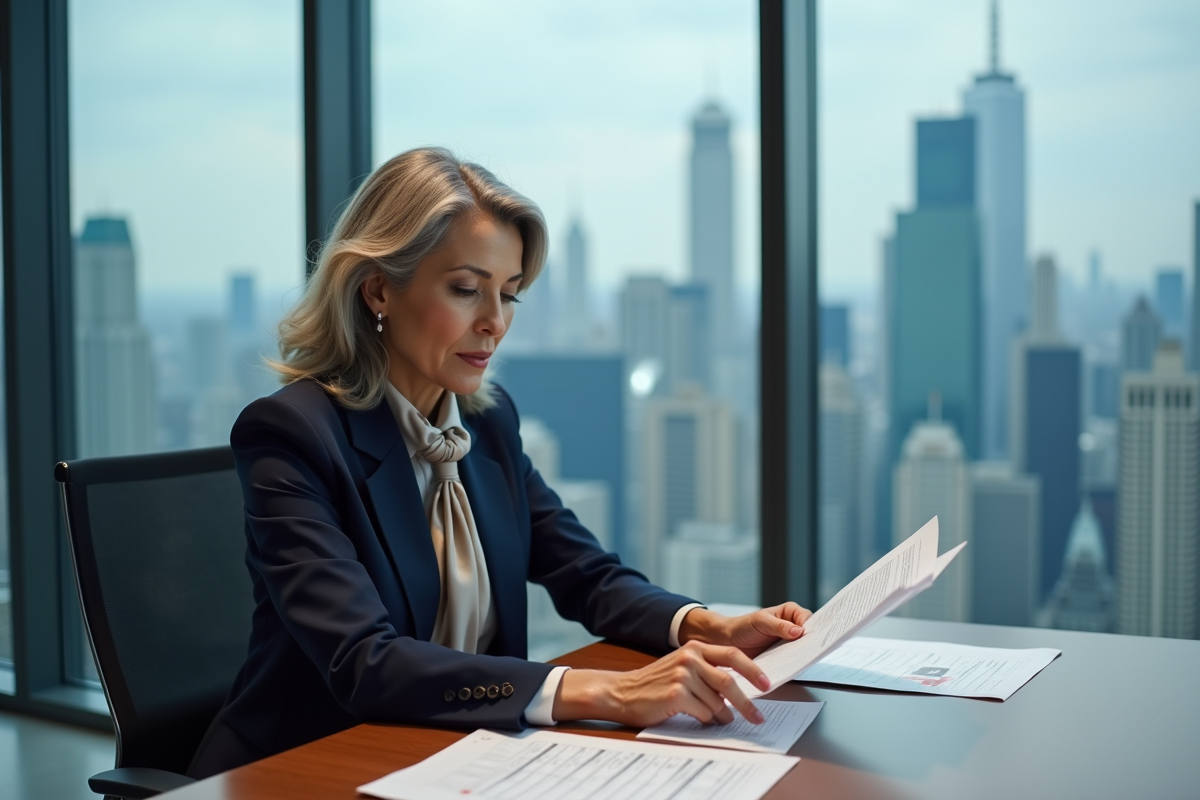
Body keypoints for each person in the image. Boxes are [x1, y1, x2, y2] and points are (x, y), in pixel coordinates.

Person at [188, 147, 812, 778]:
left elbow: (584, 573)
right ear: (378, 289)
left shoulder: (486, 422)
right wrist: (605, 691)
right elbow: (363, 662)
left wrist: (706, 628)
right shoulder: (294, 434)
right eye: (465, 290)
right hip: (310, 766)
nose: (494, 323)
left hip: (459, 758)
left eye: (509, 296)